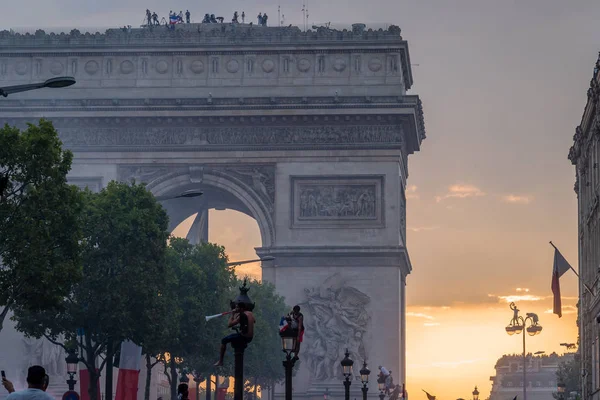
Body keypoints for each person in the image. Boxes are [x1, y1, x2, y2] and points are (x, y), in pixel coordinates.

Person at [214, 302, 255, 366]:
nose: (236, 309)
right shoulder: (250, 313)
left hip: (244, 337)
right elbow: (253, 321)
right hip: (250, 337)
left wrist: (233, 314)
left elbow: (229, 324)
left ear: (241, 308)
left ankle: (221, 361)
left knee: (224, 340)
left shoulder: (241, 316)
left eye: (237, 307)